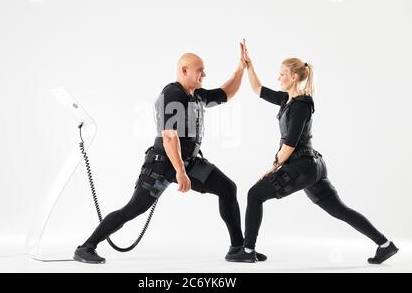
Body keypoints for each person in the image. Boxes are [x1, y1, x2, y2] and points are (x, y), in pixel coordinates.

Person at [74, 44, 266, 263]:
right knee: (134, 208)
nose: (204, 74)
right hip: (163, 163)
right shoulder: (173, 93)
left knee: (227, 188)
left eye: (203, 70)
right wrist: (180, 172)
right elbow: (169, 136)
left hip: (188, 161)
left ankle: (237, 249)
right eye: (199, 70)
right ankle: (86, 247)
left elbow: (226, 93)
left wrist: (241, 68)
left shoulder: (196, 95)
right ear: (184, 70)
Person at [226, 40, 398, 264]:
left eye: (282, 74)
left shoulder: (301, 104)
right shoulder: (287, 99)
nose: (278, 77)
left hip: (302, 166)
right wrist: (249, 65)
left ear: (294, 77)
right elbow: (258, 89)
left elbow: (290, 143)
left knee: (254, 194)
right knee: (340, 210)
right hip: (312, 166)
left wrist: (272, 167)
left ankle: (247, 252)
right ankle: (385, 245)